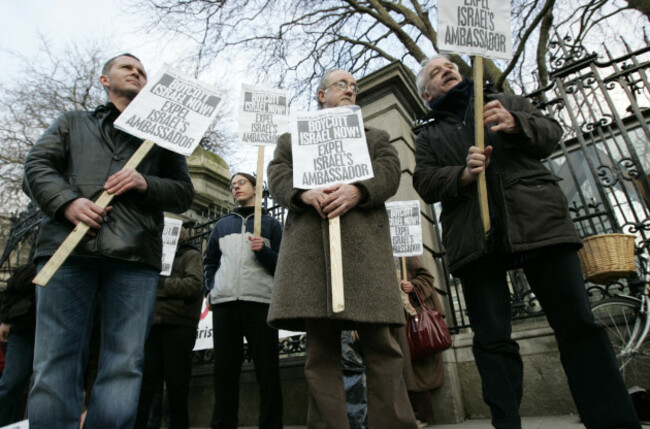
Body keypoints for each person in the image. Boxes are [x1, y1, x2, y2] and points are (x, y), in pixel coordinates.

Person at [412, 55, 641, 429]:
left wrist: (516, 124)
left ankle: (614, 422)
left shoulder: (504, 99)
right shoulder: (429, 135)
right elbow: (424, 182)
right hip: (475, 239)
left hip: (540, 223)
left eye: (450, 66)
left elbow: (551, 133)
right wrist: (463, 175)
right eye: (436, 72)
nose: (447, 70)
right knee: (492, 341)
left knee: (578, 326)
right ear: (426, 95)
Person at [23, 53, 194, 429]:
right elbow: (36, 166)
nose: (137, 72)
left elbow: (183, 193)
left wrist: (144, 183)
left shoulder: (162, 140)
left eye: (142, 71)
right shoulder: (72, 122)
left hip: (135, 258)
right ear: (104, 80)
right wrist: (67, 202)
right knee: (55, 359)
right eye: (127, 67)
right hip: (66, 252)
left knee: (125, 362)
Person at [267, 69, 418, 429]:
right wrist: (303, 193)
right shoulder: (292, 140)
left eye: (354, 86)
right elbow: (276, 175)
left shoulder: (376, 136)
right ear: (321, 95)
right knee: (321, 353)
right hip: (311, 254)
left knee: (382, 347)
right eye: (341, 85)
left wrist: (358, 190)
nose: (350, 89)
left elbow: (390, 171)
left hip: (365, 251)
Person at [203, 172, 284, 429]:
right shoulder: (221, 225)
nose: (235, 187)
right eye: (232, 185)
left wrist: (265, 253)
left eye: (241, 183)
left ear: (255, 188)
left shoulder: (271, 224)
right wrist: (211, 289)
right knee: (224, 374)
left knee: (267, 371)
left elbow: (283, 266)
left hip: (260, 303)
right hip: (225, 304)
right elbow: (209, 262)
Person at [135, 226, 203, 429]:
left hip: (178, 325)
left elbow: (193, 285)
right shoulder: (153, 257)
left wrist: (161, 286)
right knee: (146, 387)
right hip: (153, 326)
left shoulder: (191, 255)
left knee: (177, 386)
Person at [395, 256, 445, 428]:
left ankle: (421, 413)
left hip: (413, 317)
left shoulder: (405, 254)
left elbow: (426, 277)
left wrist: (413, 285)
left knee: (414, 367)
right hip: (396, 316)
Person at [0, 261, 36, 426]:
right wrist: (6, 320)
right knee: (11, 384)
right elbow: (11, 290)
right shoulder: (30, 269)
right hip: (25, 330)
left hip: (54, 331)